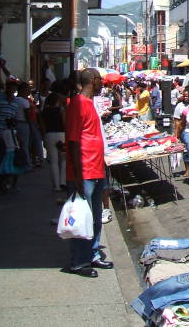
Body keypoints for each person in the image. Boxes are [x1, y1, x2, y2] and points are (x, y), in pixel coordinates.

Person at [65, 68, 113, 277]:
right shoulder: (77, 103)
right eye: (100, 81)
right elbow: (74, 141)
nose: (103, 84)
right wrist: (77, 173)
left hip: (96, 167)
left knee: (94, 218)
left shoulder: (90, 104)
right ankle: (79, 261)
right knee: (83, 218)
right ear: (93, 81)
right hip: (84, 170)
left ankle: (92, 254)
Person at [43, 81, 68, 192]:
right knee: (63, 160)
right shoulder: (60, 110)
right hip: (61, 135)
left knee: (53, 161)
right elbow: (64, 123)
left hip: (49, 134)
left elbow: (42, 126)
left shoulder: (44, 111)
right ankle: (63, 181)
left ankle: (56, 186)